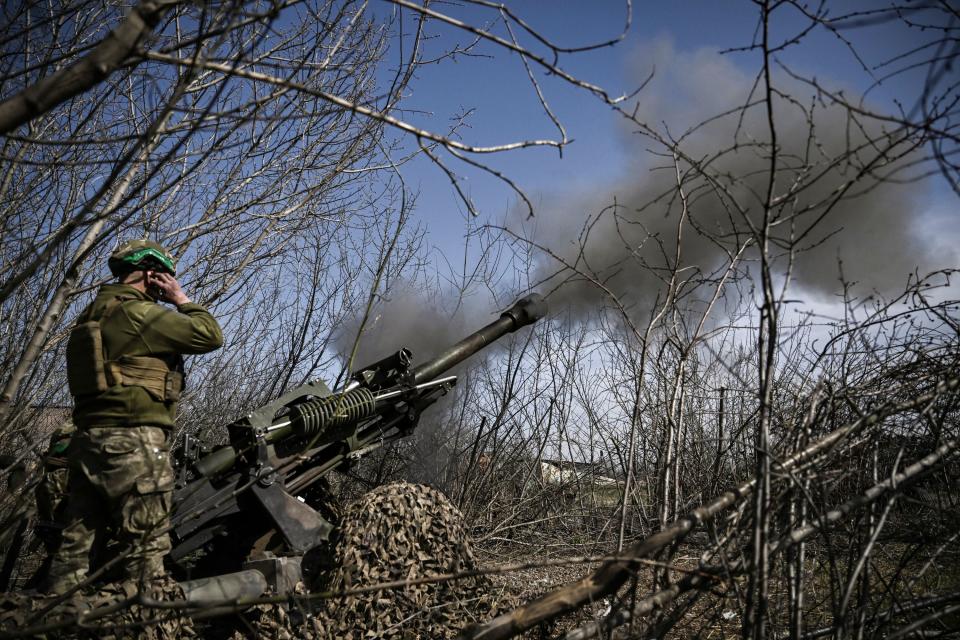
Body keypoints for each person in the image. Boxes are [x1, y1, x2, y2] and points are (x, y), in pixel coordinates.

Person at [47, 239, 223, 594]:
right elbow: (209, 335)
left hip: (88, 443)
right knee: (146, 550)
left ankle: (56, 620)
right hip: (133, 442)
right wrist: (181, 299)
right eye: (165, 276)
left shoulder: (94, 314)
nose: (167, 283)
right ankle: (141, 621)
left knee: (76, 552)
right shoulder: (136, 313)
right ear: (151, 273)